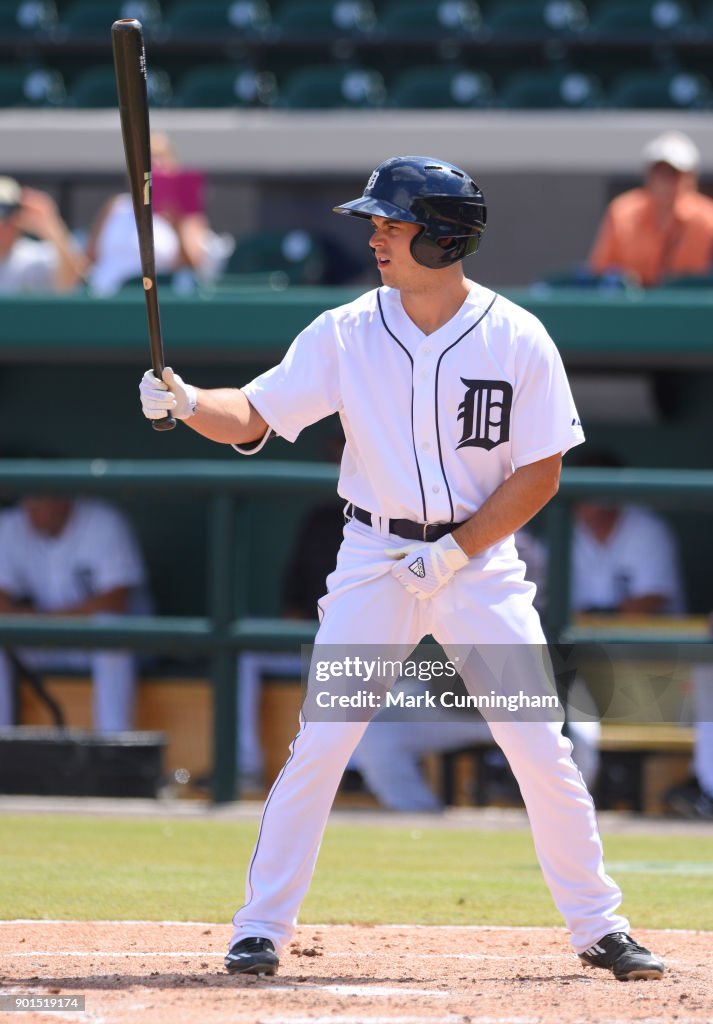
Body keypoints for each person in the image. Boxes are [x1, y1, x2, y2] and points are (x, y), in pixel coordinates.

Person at [139, 155, 664, 982]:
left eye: (394, 222)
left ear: (446, 236)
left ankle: (598, 926)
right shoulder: (346, 330)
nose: (376, 236)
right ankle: (261, 928)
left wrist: (456, 550)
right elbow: (254, 412)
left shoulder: (516, 334)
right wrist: (188, 399)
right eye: (376, 223)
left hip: (480, 565)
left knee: (539, 745)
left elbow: (540, 472)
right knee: (323, 742)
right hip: (375, 559)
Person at [0, 494, 150, 733]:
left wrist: (44, 619)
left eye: (39, 500)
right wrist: (29, 619)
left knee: (110, 628)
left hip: (95, 644)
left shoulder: (104, 522)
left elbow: (115, 601)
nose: (30, 511)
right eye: (26, 502)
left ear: (62, 499)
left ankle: (112, 743)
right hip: (44, 642)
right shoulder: (10, 525)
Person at [85, 133, 233, 295]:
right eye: (145, 158)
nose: (153, 164)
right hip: (107, 299)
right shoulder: (115, 206)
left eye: (160, 157)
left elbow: (194, 269)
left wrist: (177, 225)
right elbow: (88, 258)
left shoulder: (186, 215)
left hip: (160, 303)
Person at [588, 130, 713, 288]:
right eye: (660, 172)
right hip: (631, 308)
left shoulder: (708, 218)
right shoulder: (622, 212)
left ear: (691, 178)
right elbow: (599, 271)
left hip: (688, 309)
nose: (666, 182)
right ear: (648, 175)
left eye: (674, 173)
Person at [0, 175, 83, 293]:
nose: (4, 223)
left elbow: (71, 282)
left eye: (7, 211)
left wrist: (52, 228)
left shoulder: (32, 257)